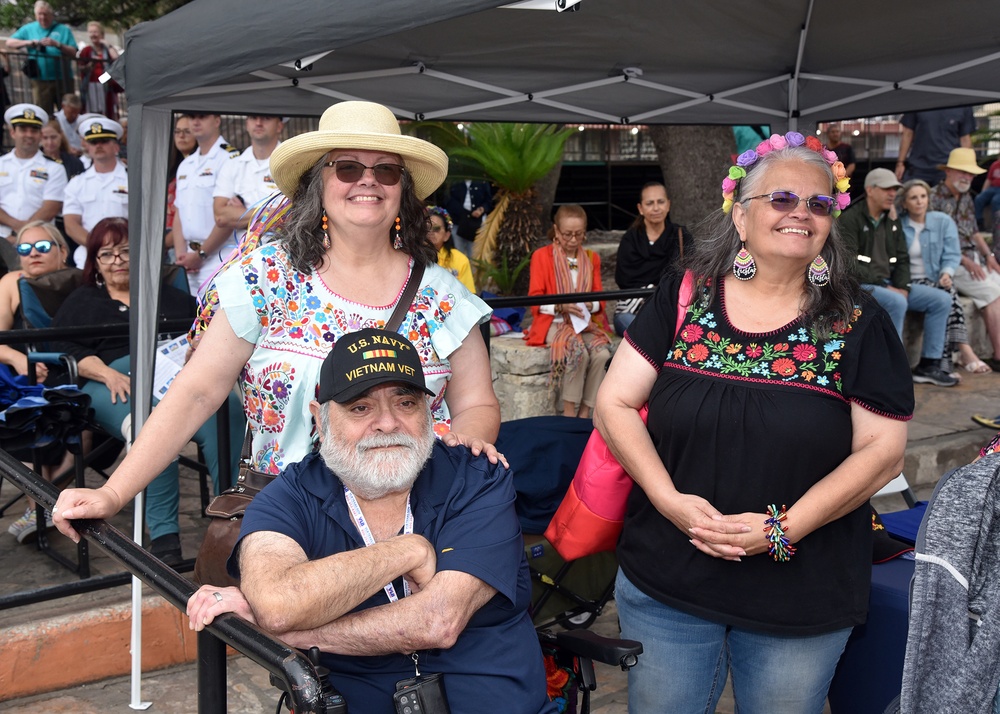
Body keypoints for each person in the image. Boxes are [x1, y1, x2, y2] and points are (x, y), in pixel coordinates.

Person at [52, 101, 500, 545]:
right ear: (318, 184)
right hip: (293, 534)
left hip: (416, 521)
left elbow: (476, 404)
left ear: (402, 189)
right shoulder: (265, 279)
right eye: (347, 168)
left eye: (386, 170)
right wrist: (112, 492)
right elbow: (195, 392)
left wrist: (457, 462)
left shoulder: (443, 293)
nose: (368, 180)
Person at [594, 132, 913, 713]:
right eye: (783, 199)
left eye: (819, 204)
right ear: (741, 217)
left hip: (800, 597)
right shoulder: (687, 294)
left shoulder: (859, 320)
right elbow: (613, 404)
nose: (802, 214)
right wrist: (668, 500)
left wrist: (782, 529)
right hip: (669, 579)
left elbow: (882, 452)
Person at [186, 328, 555, 714]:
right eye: (360, 407)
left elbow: (437, 621)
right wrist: (406, 551)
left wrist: (292, 631)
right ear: (321, 419)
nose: (388, 423)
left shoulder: (479, 479)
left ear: (428, 413)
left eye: (406, 403)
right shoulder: (290, 496)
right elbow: (278, 604)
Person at [48, 217, 244, 563]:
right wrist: (105, 372)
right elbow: (64, 348)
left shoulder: (169, 296)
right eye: (107, 254)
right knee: (148, 425)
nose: (117, 260)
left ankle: (233, 520)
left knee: (226, 409)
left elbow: (200, 336)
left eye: (125, 251)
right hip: (110, 382)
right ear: (94, 262)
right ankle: (165, 536)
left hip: (173, 380)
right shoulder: (82, 301)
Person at [839, 168, 957, 386]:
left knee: (941, 300)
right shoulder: (851, 219)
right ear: (870, 190)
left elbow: (902, 258)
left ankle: (929, 365)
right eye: (886, 189)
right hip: (860, 285)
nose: (892, 193)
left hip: (889, 285)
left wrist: (903, 285)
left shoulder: (892, 220)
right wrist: (887, 285)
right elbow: (849, 264)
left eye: (894, 189)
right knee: (896, 301)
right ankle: (892, 368)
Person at [1, 221, 81, 541]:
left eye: (43, 247)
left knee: (83, 417)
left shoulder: (79, 282)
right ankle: (44, 505)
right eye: (24, 249)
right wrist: (19, 358)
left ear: (63, 252)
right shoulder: (11, 281)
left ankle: (47, 502)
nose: (33, 253)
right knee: (25, 416)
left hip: (72, 371)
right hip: (21, 376)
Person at [525, 204, 611, 418]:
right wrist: (561, 306)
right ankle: (569, 413)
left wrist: (587, 304)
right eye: (567, 234)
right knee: (577, 350)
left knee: (602, 354)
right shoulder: (541, 256)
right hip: (553, 323)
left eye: (579, 234)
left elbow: (601, 301)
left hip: (583, 321)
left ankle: (585, 412)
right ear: (556, 230)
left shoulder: (592, 258)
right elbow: (535, 301)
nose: (573, 240)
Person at [899, 179, 989, 374]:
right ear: (904, 203)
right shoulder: (898, 225)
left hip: (935, 278)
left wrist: (946, 273)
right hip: (908, 282)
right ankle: (964, 351)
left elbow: (952, 254)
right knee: (949, 297)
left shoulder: (942, 221)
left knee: (947, 290)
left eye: (923, 196)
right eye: (913, 198)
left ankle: (952, 357)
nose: (919, 201)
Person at [928, 148, 1000, 368]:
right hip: (949, 263)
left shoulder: (967, 196)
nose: (967, 177)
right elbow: (934, 242)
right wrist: (964, 260)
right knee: (992, 294)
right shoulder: (933, 197)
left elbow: (974, 232)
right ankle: (999, 356)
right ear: (948, 171)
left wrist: (989, 256)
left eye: (970, 174)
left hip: (973, 258)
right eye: (962, 172)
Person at [171, 112, 240, 296]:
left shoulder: (230, 159)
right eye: (192, 117)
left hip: (219, 255)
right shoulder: (187, 164)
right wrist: (181, 256)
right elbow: (179, 213)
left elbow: (229, 215)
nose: (195, 121)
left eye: (202, 116)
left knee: (214, 319)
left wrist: (202, 254)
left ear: (217, 120)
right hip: (188, 258)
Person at [613, 182, 691, 335]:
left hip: (672, 309)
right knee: (639, 332)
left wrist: (653, 284)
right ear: (640, 208)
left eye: (660, 202)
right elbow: (624, 279)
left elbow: (689, 274)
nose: (656, 208)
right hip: (632, 310)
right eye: (649, 203)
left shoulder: (681, 236)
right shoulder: (630, 240)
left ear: (668, 205)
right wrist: (661, 281)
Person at [0, 104, 68, 271]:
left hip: (39, 244)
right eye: (23, 129)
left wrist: (21, 234)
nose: (29, 135)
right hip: (2, 237)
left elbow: (51, 208)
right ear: (12, 132)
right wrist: (16, 229)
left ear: (40, 134)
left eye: (34, 130)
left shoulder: (55, 168)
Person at [63, 117, 128, 268]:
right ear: (88, 147)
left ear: (116, 146)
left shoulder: (133, 180)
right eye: (93, 142)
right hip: (88, 256)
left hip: (126, 255)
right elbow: (71, 224)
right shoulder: (77, 183)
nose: (98, 146)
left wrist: (116, 248)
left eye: (104, 141)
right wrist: (97, 246)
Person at [212, 114, 285, 241]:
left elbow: (293, 218)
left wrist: (242, 213)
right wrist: (271, 214)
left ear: (279, 126)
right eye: (253, 117)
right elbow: (221, 216)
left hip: (282, 252)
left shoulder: (291, 163)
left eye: (266, 118)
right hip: (240, 255)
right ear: (246, 124)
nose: (258, 122)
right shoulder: (232, 163)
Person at [5, 2, 77, 114]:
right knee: (42, 112)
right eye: (40, 14)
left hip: (63, 79)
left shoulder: (63, 30)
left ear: (52, 15)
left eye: (45, 14)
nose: (42, 17)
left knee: (68, 112)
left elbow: (73, 52)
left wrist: (57, 44)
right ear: (35, 15)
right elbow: (10, 42)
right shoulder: (28, 28)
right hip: (40, 80)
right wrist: (31, 42)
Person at [895, 107, 976, 184]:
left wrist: (968, 167)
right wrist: (900, 163)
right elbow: (907, 134)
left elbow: (965, 138)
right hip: (919, 167)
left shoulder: (962, 103)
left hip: (948, 168)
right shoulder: (917, 99)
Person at [426, 206, 475, 293]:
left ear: (447, 235)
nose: (430, 231)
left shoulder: (460, 259)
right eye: (426, 227)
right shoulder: (409, 258)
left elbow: (469, 295)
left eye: (436, 228)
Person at [76, 22, 119, 118]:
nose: (93, 34)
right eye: (91, 32)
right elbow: (80, 68)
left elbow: (116, 59)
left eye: (95, 32)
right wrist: (91, 64)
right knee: (92, 111)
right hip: (91, 83)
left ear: (101, 34)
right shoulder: (86, 50)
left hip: (105, 82)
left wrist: (108, 45)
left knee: (107, 110)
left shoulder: (107, 49)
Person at [445, 178, 492, 256]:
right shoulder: (455, 181)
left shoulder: (481, 182)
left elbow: (488, 201)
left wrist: (481, 209)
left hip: (477, 223)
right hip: (458, 222)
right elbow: (449, 201)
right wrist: (467, 213)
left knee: (474, 253)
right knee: (458, 252)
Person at [974, 155, 1000, 234]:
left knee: (995, 201)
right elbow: (988, 180)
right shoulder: (995, 165)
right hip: (993, 188)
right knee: (979, 198)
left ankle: (995, 225)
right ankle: (979, 222)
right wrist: (983, 191)